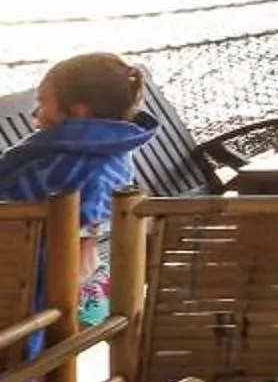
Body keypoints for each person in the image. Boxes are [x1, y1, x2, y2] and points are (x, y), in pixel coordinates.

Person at [0, 53, 160, 326]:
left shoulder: (79, 166)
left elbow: (78, 248)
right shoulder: (106, 153)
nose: (35, 113)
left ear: (78, 111)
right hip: (87, 281)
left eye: (43, 103)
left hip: (46, 293)